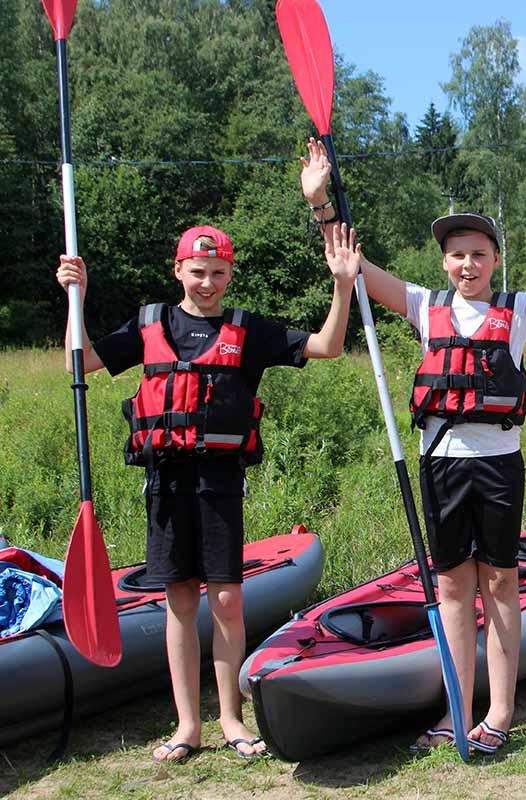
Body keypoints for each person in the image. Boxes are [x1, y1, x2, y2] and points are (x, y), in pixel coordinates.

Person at [300, 138, 526, 754]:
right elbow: (353, 264)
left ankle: (499, 714)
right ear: (444, 263)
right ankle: (455, 710)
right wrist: (322, 205)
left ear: (495, 259)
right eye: (457, 254)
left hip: (497, 465)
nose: (468, 264)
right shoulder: (423, 305)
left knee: (499, 586)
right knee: (451, 591)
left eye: (478, 253)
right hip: (441, 464)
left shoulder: (517, 310)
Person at [54, 222, 361, 762]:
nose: (207, 282)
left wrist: (342, 285)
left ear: (229, 274)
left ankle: (231, 719)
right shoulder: (150, 322)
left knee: (225, 600)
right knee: (179, 603)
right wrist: (74, 297)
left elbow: (330, 346)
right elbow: (79, 362)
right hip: (166, 483)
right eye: (197, 272)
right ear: (178, 270)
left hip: (219, 483)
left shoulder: (249, 331)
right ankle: (187, 725)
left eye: (218, 272)